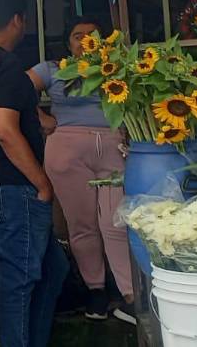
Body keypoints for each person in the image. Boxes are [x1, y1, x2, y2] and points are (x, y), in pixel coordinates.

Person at [0, 0, 69, 347]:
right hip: (13, 182)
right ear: (18, 20)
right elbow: (4, 130)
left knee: (53, 269)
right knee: (19, 279)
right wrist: (42, 183)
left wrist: (40, 119)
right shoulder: (4, 64)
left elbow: (1, 108)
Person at [27, 17, 134, 324]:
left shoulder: (118, 66)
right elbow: (15, 89)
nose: (86, 40)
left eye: (92, 35)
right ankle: (96, 291)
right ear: (68, 42)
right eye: (78, 36)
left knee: (116, 222)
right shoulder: (53, 68)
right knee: (82, 226)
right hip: (67, 151)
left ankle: (129, 294)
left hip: (114, 146)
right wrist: (41, 118)